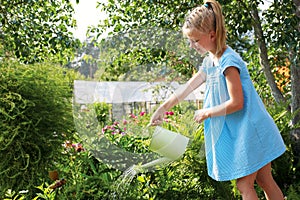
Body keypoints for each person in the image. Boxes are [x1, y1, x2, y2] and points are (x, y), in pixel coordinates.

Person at [150, 0, 286, 199]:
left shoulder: (228, 62)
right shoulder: (210, 62)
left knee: (244, 185)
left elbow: (236, 102)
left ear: (212, 35)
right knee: (265, 179)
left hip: (251, 129)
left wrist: (207, 112)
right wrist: (162, 108)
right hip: (246, 130)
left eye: (195, 40)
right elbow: (187, 88)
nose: (192, 45)